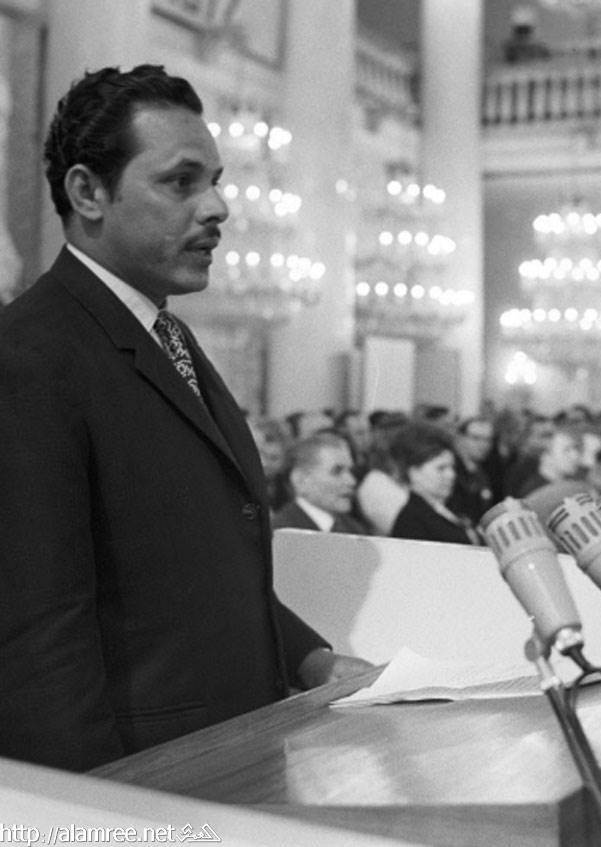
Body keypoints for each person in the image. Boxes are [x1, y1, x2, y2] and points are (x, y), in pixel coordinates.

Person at [0, 65, 373, 772]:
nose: (218, 207)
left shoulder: (165, 334)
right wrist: (91, 812)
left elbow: (195, 566)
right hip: (146, 779)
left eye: (217, 181)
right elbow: (38, 634)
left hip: (234, 751)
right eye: (181, 182)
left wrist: (312, 658)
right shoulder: (29, 357)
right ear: (87, 192)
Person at [389, 421, 482, 545]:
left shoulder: (443, 508)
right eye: (441, 468)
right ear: (414, 472)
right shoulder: (412, 522)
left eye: (452, 467)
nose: (451, 475)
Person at [272, 433, 370, 535]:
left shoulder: (355, 530)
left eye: (350, 471)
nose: (351, 481)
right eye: (337, 471)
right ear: (301, 480)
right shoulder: (278, 534)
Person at [448, 415, 497, 524]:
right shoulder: (449, 471)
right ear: (460, 438)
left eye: (488, 440)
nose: (483, 445)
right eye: (476, 438)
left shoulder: (482, 473)